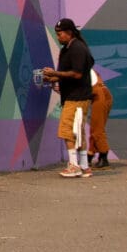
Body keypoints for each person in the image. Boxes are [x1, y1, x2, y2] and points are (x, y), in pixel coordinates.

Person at [41, 18, 95, 178]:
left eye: (60, 34)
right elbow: (70, 74)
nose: (58, 37)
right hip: (76, 96)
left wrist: (55, 73)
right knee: (78, 132)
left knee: (67, 130)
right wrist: (53, 79)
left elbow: (77, 74)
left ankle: (73, 165)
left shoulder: (77, 48)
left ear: (69, 33)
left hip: (76, 98)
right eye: (56, 34)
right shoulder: (69, 48)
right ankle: (85, 166)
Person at [88, 69, 114, 169]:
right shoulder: (85, 66)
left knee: (97, 128)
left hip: (99, 95)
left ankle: (104, 156)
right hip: (101, 95)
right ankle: (90, 155)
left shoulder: (78, 66)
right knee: (96, 127)